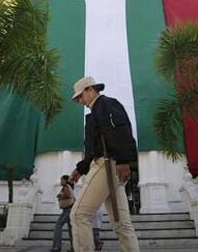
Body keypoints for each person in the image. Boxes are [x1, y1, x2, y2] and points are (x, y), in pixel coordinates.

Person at [69, 76, 139, 252]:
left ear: (90, 90)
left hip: (107, 164)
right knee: (122, 224)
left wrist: (123, 161)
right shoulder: (97, 110)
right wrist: (80, 169)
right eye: (77, 98)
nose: (79, 101)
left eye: (80, 96)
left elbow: (121, 131)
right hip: (108, 165)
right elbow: (93, 148)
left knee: (78, 215)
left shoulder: (106, 104)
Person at [51, 175, 75, 252]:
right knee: (71, 229)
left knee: (58, 225)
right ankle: (73, 247)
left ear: (65, 180)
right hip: (70, 209)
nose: (60, 182)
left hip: (68, 209)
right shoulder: (69, 187)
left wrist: (60, 196)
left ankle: (57, 247)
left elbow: (67, 195)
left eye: (61, 180)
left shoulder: (66, 187)